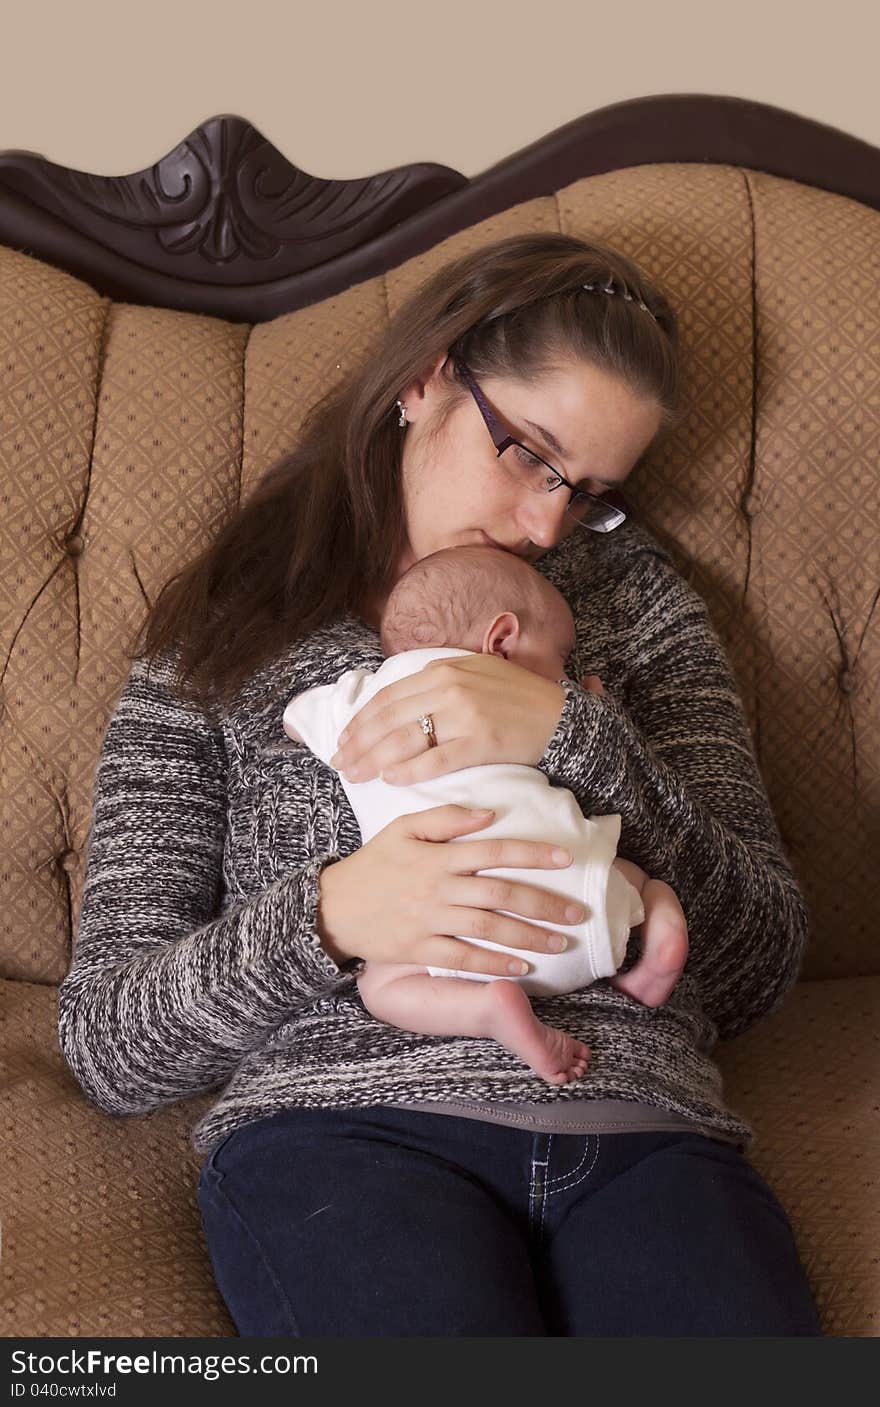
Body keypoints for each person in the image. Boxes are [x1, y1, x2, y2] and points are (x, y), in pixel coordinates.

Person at [58, 231, 822, 1336]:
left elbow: (758, 961)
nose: (546, 524)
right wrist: (329, 917)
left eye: (590, 492)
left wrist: (573, 732)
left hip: (643, 1140)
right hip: (348, 1141)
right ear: (425, 381)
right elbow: (108, 1042)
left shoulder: (634, 615)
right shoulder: (221, 644)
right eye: (527, 452)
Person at [282, 540, 690, 1084]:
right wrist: (589, 718)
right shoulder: (564, 700)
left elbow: (294, 718)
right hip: (581, 908)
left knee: (380, 985)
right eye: (562, 662)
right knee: (639, 882)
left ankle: (486, 1009)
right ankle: (660, 936)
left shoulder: (363, 697)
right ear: (501, 642)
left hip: (448, 950)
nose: (564, 679)